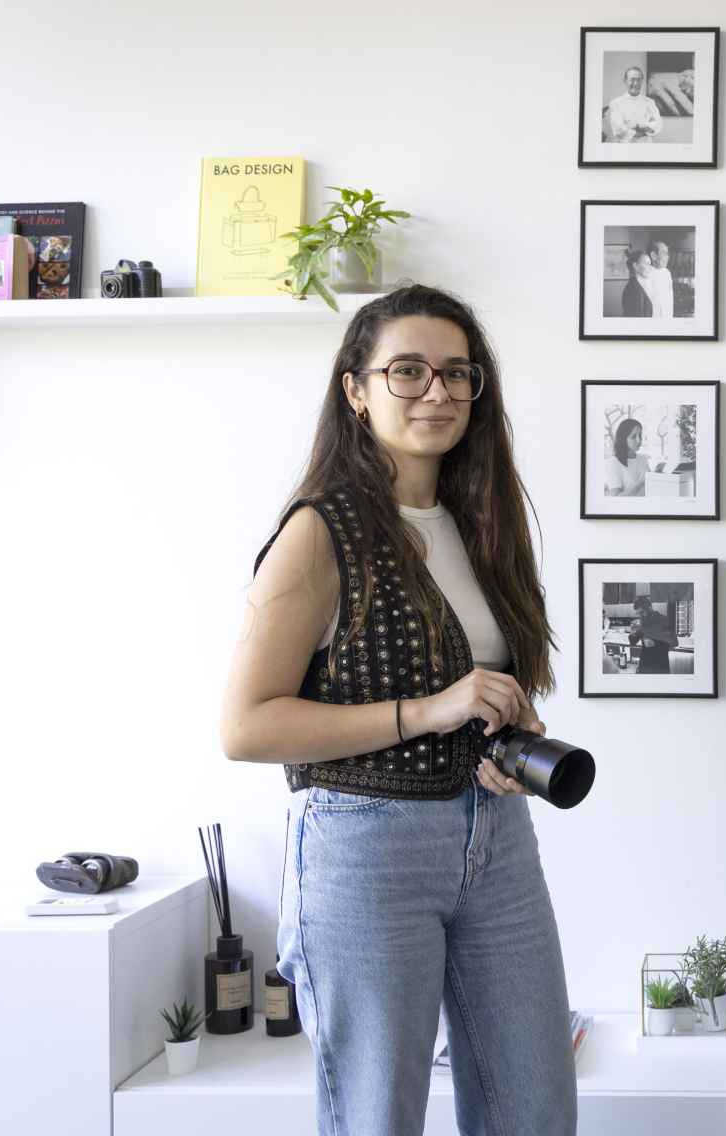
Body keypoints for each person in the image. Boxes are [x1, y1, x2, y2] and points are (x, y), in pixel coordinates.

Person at [221, 285, 575, 1136]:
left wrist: (499, 731)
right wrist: (426, 710)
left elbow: (473, 686)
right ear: (356, 388)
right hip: (364, 847)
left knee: (535, 1111)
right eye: (407, 371)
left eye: (458, 374)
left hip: (495, 841)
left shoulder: (479, 519)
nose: (438, 393)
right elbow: (247, 726)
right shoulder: (322, 530)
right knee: (380, 1119)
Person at [606, 65, 661, 142]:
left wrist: (632, 129)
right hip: (625, 148)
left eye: (639, 80)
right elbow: (619, 129)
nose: (635, 84)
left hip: (646, 146)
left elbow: (657, 124)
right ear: (625, 81)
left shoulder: (650, 102)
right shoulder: (616, 104)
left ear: (642, 81)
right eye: (632, 80)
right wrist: (645, 128)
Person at [628, 594, 678, 674]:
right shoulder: (642, 622)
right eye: (638, 614)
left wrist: (656, 644)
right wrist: (632, 632)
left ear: (650, 608)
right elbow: (633, 642)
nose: (641, 616)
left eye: (642, 612)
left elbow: (674, 643)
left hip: (660, 667)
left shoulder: (664, 621)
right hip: (644, 666)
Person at [605, 416, 651, 497]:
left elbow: (649, 488)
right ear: (623, 439)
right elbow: (616, 499)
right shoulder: (613, 463)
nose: (639, 440)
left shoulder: (643, 459)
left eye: (640, 435)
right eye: (633, 437)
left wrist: (657, 476)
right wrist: (640, 482)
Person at [644, 239, 675, 318]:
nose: (668, 257)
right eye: (664, 253)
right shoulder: (645, 275)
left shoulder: (667, 273)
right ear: (654, 255)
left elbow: (669, 300)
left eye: (667, 254)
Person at [620, 248, 652, 318]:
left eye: (650, 264)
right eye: (646, 264)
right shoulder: (634, 289)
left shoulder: (639, 286)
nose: (650, 267)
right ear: (635, 266)